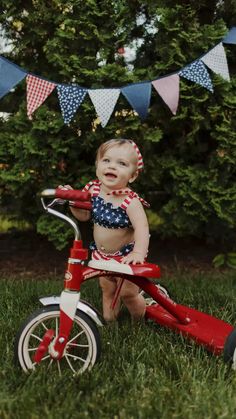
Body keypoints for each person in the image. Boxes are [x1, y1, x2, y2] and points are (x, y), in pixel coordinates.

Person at [63, 139, 150, 322]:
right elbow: (84, 216)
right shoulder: (94, 190)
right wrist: (72, 201)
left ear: (132, 176)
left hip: (126, 255)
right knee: (107, 289)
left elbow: (142, 228)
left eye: (122, 163)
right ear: (97, 165)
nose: (112, 166)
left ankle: (139, 321)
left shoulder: (130, 201)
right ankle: (110, 323)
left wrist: (138, 252)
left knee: (127, 293)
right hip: (102, 255)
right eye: (107, 160)